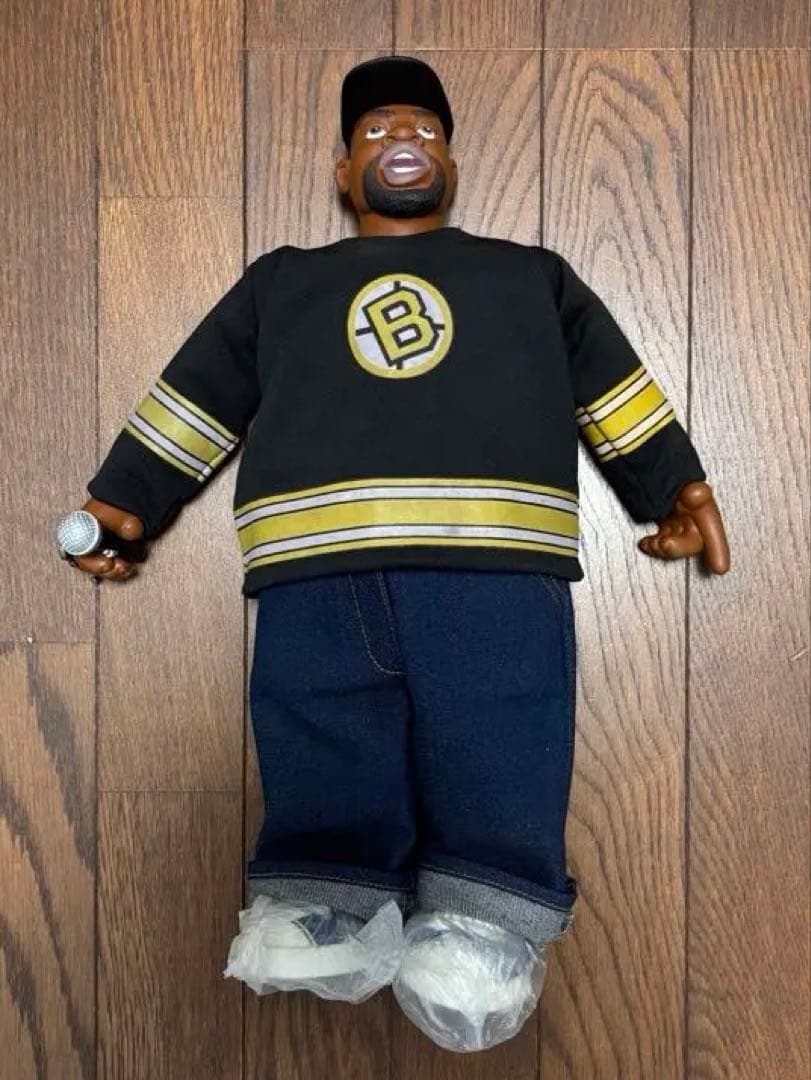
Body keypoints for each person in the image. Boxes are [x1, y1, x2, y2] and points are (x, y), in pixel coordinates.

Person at [59, 55, 730, 1052]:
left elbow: (611, 382)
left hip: (496, 565)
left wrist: (672, 482)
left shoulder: (530, 277)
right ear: (343, 173)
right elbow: (198, 391)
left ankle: (483, 926)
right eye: (375, 130)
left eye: (422, 127)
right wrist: (125, 499)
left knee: (500, 731)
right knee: (315, 722)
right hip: (313, 570)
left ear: (451, 160)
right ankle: (321, 904)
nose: (402, 139)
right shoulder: (282, 284)